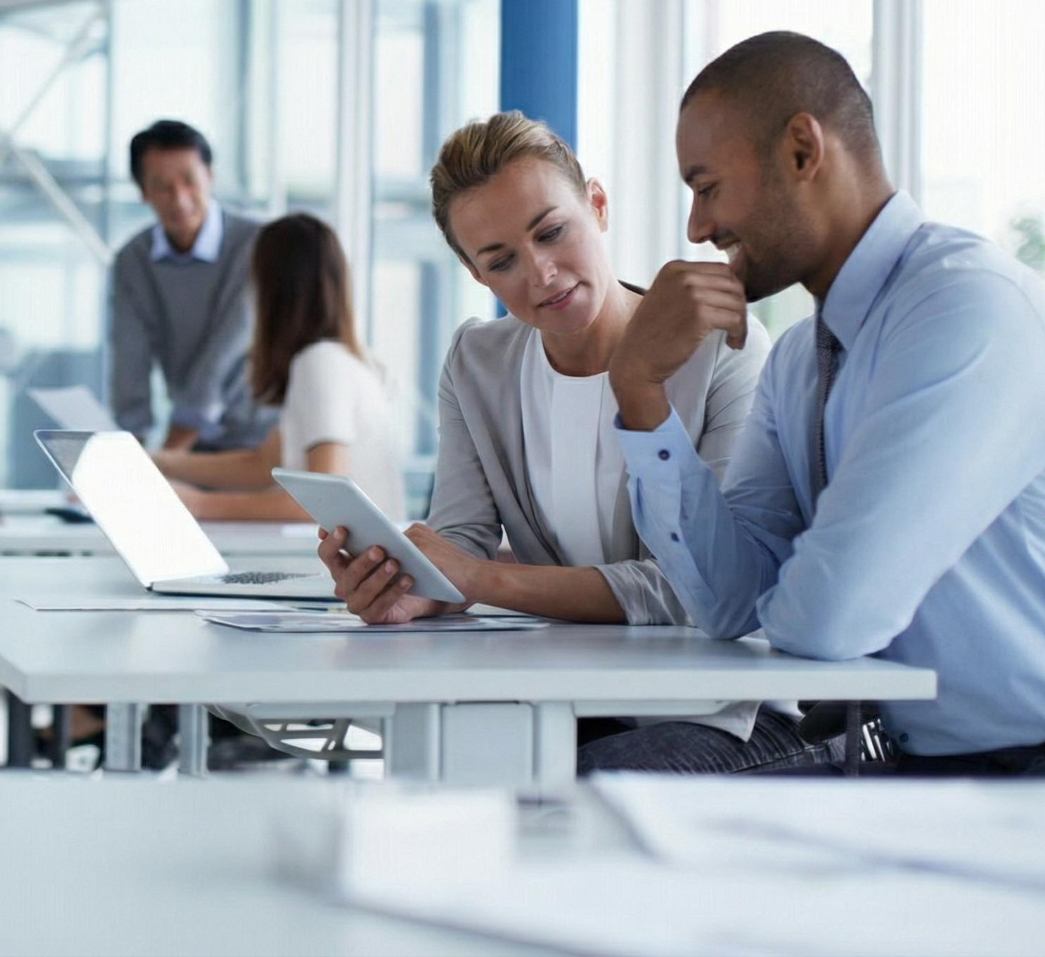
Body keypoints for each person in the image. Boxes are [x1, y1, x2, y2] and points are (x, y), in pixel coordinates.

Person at [607, 31, 1045, 777]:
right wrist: (639, 391)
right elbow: (729, 602)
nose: (696, 227)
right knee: (605, 798)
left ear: (801, 151)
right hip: (916, 772)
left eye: (707, 185)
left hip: (1034, 781)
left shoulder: (967, 310)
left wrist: (792, 592)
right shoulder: (797, 361)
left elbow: (829, 619)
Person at [317, 112, 823, 775]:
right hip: (576, 700)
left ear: (599, 206)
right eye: (501, 260)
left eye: (552, 232)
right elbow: (459, 539)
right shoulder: (477, 361)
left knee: (546, 792)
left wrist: (478, 578)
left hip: (720, 712)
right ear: (476, 274)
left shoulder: (721, 347)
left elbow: (697, 589)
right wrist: (414, 584)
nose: (542, 273)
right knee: (440, 769)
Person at [152, 213, 401, 521]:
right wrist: (156, 463)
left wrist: (196, 504)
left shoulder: (321, 364)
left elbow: (323, 503)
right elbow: (261, 464)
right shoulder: (341, 360)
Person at [107, 119, 275, 452]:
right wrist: (127, 457)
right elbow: (130, 361)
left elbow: (227, 349)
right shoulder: (132, 261)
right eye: (162, 186)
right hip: (194, 443)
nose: (179, 199)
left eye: (189, 181)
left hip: (265, 440)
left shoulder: (257, 244)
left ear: (210, 177)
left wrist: (168, 454)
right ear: (143, 192)